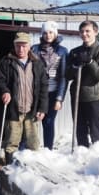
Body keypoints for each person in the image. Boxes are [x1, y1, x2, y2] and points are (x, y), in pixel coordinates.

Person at [0, 32, 49, 164]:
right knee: (11, 143)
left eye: (24, 46)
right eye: (18, 46)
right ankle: (10, 171)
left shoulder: (37, 63)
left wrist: (42, 108)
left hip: (32, 111)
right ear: (14, 45)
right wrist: (4, 91)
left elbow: (43, 86)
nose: (21, 49)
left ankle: (33, 172)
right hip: (14, 110)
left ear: (29, 46)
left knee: (33, 144)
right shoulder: (6, 62)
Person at [66, 20, 99, 147]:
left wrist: (90, 62)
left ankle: (96, 159)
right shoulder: (74, 52)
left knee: (95, 130)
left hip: (94, 97)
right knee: (80, 130)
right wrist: (75, 65)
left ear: (95, 32)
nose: (84, 34)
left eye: (88, 31)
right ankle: (82, 156)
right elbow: (67, 75)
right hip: (77, 96)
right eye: (82, 31)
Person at [31, 21, 68, 150]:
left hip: (53, 92)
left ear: (55, 33)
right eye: (45, 33)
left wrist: (59, 98)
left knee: (49, 121)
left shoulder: (62, 51)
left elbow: (64, 76)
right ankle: (32, 149)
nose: (48, 35)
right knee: (34, 121)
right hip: (38, 92)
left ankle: (48, 149)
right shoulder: (34, 49)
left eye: (51, 32)